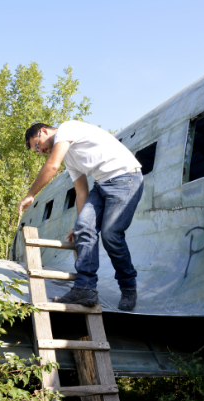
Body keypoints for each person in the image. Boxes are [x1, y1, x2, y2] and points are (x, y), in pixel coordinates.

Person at [18, 121, 143, 311]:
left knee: (111, 235)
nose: (41, 151)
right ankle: (85, 288)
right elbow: (81, 191)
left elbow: (52, 166)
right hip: (101, 185)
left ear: (43, 131)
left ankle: (128, 288)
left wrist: (31, 194)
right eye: (38, 151)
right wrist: (79, 223)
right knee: (84, 228)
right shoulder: (70, 159)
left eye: (37, 145)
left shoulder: (66, 129)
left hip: (126, 178)